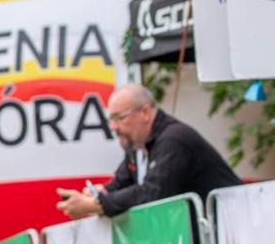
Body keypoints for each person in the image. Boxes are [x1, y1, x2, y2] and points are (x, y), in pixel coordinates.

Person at [55, 84, 240, 219]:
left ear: (145, 113)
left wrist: (97, 204)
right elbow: (119, 186)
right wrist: (93, 196)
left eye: (120, 118)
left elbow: (153, 193)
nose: (113, 127)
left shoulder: (173, 139)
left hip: (228, 232)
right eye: (110, 119)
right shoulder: (136, 146)